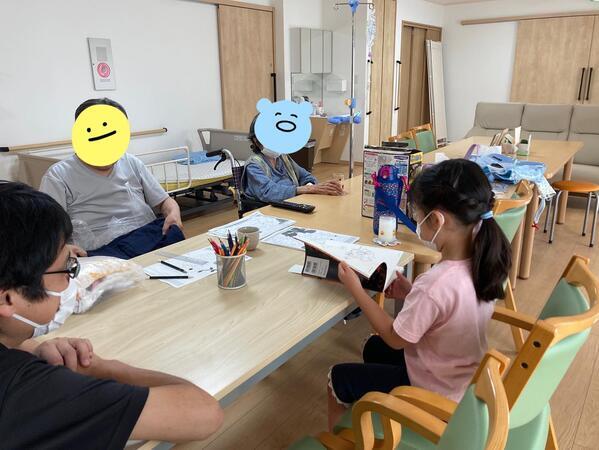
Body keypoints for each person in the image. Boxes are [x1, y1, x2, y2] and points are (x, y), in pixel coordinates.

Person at [0, 182, 223, 447]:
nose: (72, 282)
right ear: (7, 298)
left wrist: (33, 347)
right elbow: (204, 413)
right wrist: (100, 367)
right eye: (67, 270)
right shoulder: (35, 391)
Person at [327, 159, 511, 430]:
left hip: (433, 393)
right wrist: (411, 291)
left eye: (417, 216)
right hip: (461, 380)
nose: (416, 223)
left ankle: (342, 439)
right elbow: (449, 309)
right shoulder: (485, 262)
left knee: (338, 376)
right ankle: (383, 416)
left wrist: (356, 288)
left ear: (436, 220)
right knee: (373, 347)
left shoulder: (435, 283)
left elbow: (394, 338)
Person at [40, 98, 184, 259]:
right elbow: (47, 230)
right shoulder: (58, 175)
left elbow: (164, 201)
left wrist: (173, 213)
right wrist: (63, 249)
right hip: (100, 251)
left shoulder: (131, 162)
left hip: (146, 236)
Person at [242, 115, 344, 203]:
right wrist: (307, 189)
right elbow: (268, 192)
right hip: (269, 209)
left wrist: (310, 186)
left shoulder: (283, 158)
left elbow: (306, 176)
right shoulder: (254, 165)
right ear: (256, 141)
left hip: (293, 203)